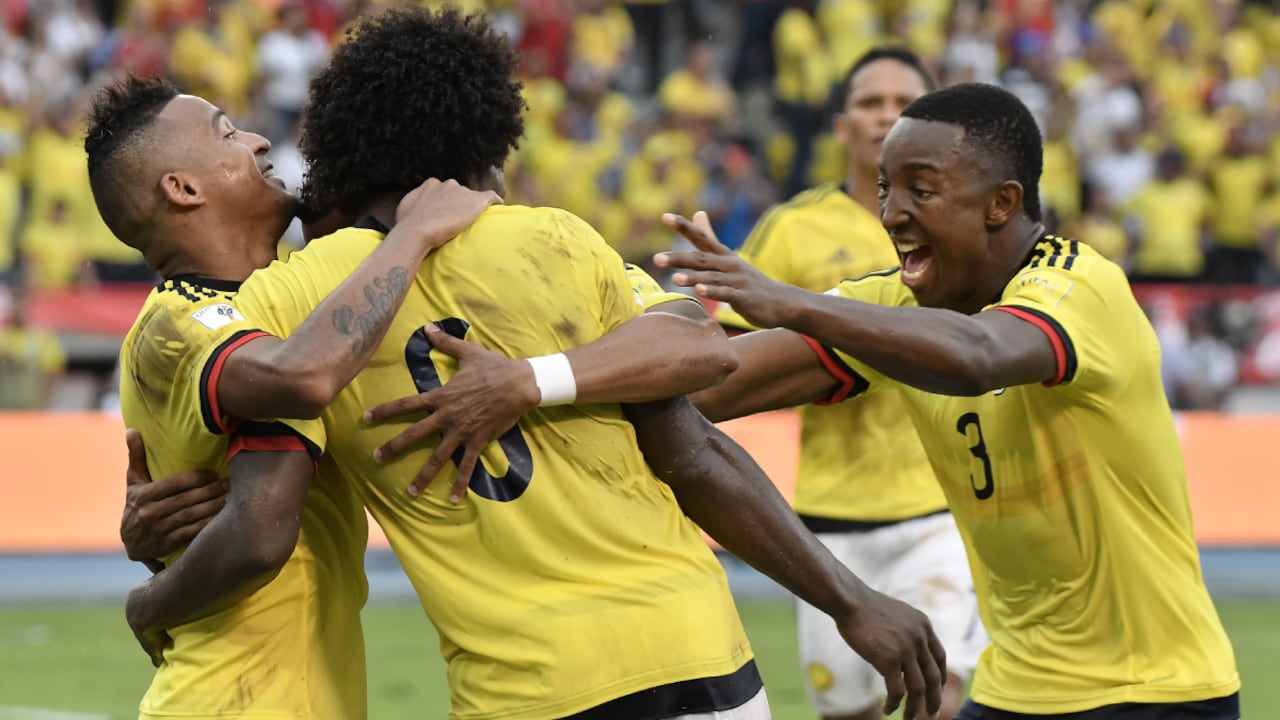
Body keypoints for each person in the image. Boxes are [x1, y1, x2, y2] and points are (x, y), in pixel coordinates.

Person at [119, 8, 947, 720]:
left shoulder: (299, 306)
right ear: (483, 145)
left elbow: (264, 478)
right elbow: (696, 424)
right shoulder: (555, 239)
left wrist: (160, 549)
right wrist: (849, 600)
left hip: (523, 689)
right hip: (698, 659)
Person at [655, 83, 1241, 719]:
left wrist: (792, 301)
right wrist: (590, 358)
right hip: (1010, 693)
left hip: (1153, 692)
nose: (890, 213)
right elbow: (721, 382)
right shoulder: (898, 303)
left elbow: (978, 357)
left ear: (1000, 204)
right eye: (884, 188)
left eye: (920, 190)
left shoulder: (1082, 287)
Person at [86, 73, 503, 719]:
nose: (256, 138)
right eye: (227, 132)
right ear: (183, 187)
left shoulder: (282, 305)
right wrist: (411, 236)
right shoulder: (178, 321)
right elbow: (299, 387)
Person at [714, 46, 979, 720]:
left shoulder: (966, 225)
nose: (885, 116)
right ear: (840, 125)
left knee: (937, 696)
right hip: (831, 519)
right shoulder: (792, 229)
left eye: (904, 104)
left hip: (941, 504)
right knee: (850, 713)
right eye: (869, 102)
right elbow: (730, 359)